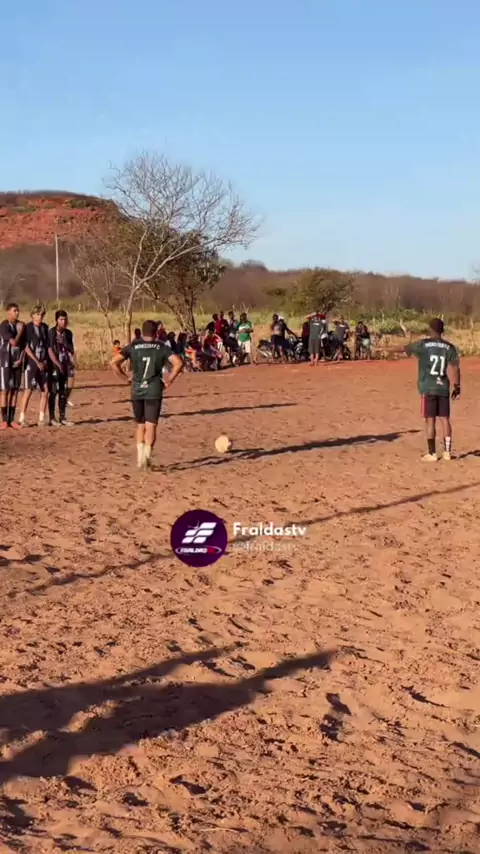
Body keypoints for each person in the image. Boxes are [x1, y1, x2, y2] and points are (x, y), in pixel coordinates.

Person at [111, 319, 183, 469]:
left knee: (140, 424)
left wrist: (125, 378)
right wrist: (169, 380)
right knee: (151, 425)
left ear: (142, 332)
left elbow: (113, 362)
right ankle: (147, 458)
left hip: (137, 388)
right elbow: (178, 363)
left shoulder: (133, 346)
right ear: (156, 333)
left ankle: (139, 458)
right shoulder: (161, 347)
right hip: (153, 389)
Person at [395, 318, 460, 462]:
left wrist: (385, 350)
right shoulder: (449, 347)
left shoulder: (423, 344)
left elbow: (404, 349)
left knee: (430, 421)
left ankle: (432, 453)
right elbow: (455, 368)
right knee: (445, 419)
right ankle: (447, 452)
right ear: (442, 331)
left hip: (428, 387)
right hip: (443, 387)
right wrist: (457, 386)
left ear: (430, 329)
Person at [18, 305, 49, 428]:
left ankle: (41, 418)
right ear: (32, 315)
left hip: (42, 362)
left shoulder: (45, 327)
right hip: (31, 363)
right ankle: (22, 418)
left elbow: (47, 345)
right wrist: (36, 361)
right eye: (37, 314)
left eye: (42, 314)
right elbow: (26, 347)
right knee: (28, 390)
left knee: (45, 390)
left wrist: (44, 361)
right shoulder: (28, 328)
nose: (40, 317)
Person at [47, 310, 75, 427]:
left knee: (63, 391)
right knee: (53, 391)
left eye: (65, 319)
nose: (63, 322)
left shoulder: (68, 333)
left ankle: (63, 417)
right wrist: (57, 364)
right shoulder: (51, 332)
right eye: (61, 319)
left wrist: (72, 362)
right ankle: (52, 418)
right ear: (56, 320)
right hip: (54, 365)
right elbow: (49, 350)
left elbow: (71, 350)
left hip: (65, 364)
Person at [0, 302, 25, 429]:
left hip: (17, 362)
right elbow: (14, 343)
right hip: (5, 361)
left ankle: (11, 419)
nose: (17, 313)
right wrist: (20, 331)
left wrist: (20, 359)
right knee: (5, 390)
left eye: (18, 310)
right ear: (8, 312)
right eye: (14, 310)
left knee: (14, 390)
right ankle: (4, 420)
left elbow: (24, 346)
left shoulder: (20, 324)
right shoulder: (4, 325)